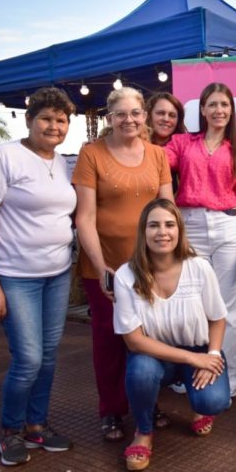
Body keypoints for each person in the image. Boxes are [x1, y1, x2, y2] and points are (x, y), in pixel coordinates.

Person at [0, 88, 77, 466]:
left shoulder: (60, 163)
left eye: (61, 120)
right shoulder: (5, 156)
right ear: (29, 120)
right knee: (28, 359)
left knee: (47, 358)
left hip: (57, 274)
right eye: (46, 118)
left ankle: (36, 427)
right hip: (15, 277)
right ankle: (9, 431)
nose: (54, 125)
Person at [74, 87, 173, 443]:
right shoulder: (91, 155)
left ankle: (146, 404)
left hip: (149, 266)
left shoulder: (158, 154)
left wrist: (170, 261)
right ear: (109, 118)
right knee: (110, 341)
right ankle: (112, 410)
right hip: (105, 266)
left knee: (149, 338)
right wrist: (102, 268)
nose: (128, 120)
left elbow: (167, 211)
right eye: (121, 114)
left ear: (144, 116)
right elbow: (84, 218)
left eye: (135, 113)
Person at [113, 199, 231, 471]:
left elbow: (217, 318)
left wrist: (212, 355)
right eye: (153, 225)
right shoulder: (126, 276)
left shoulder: (199, 267)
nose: (162, 232)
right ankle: (143, 431)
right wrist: (192, 359)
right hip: (154, 356)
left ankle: (199, 406)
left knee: (214, 401)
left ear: (179, 230)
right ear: (143, 232)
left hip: (199, 349)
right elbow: (134, 341)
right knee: (140, 371)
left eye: (169, 224)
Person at [164, 82, 236, 398]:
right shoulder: (182, 143)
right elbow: (151, 162)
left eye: (225, 105)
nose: (219, 110)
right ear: (201, 110)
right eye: (213, 104)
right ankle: (190, 371)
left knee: (230, 310)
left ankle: (226, 379)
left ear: (232, 111)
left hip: (229, 229)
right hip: (190, 226)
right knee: (191, 304)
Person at [145, 91, 187, 394]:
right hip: (141, 235)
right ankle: (148, 371)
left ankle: (172, 369)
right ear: (149, 115)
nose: (166, 119)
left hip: (171, 235)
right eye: (161, 113)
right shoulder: (137, 148)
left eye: (172, 115)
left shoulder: (183, 148)